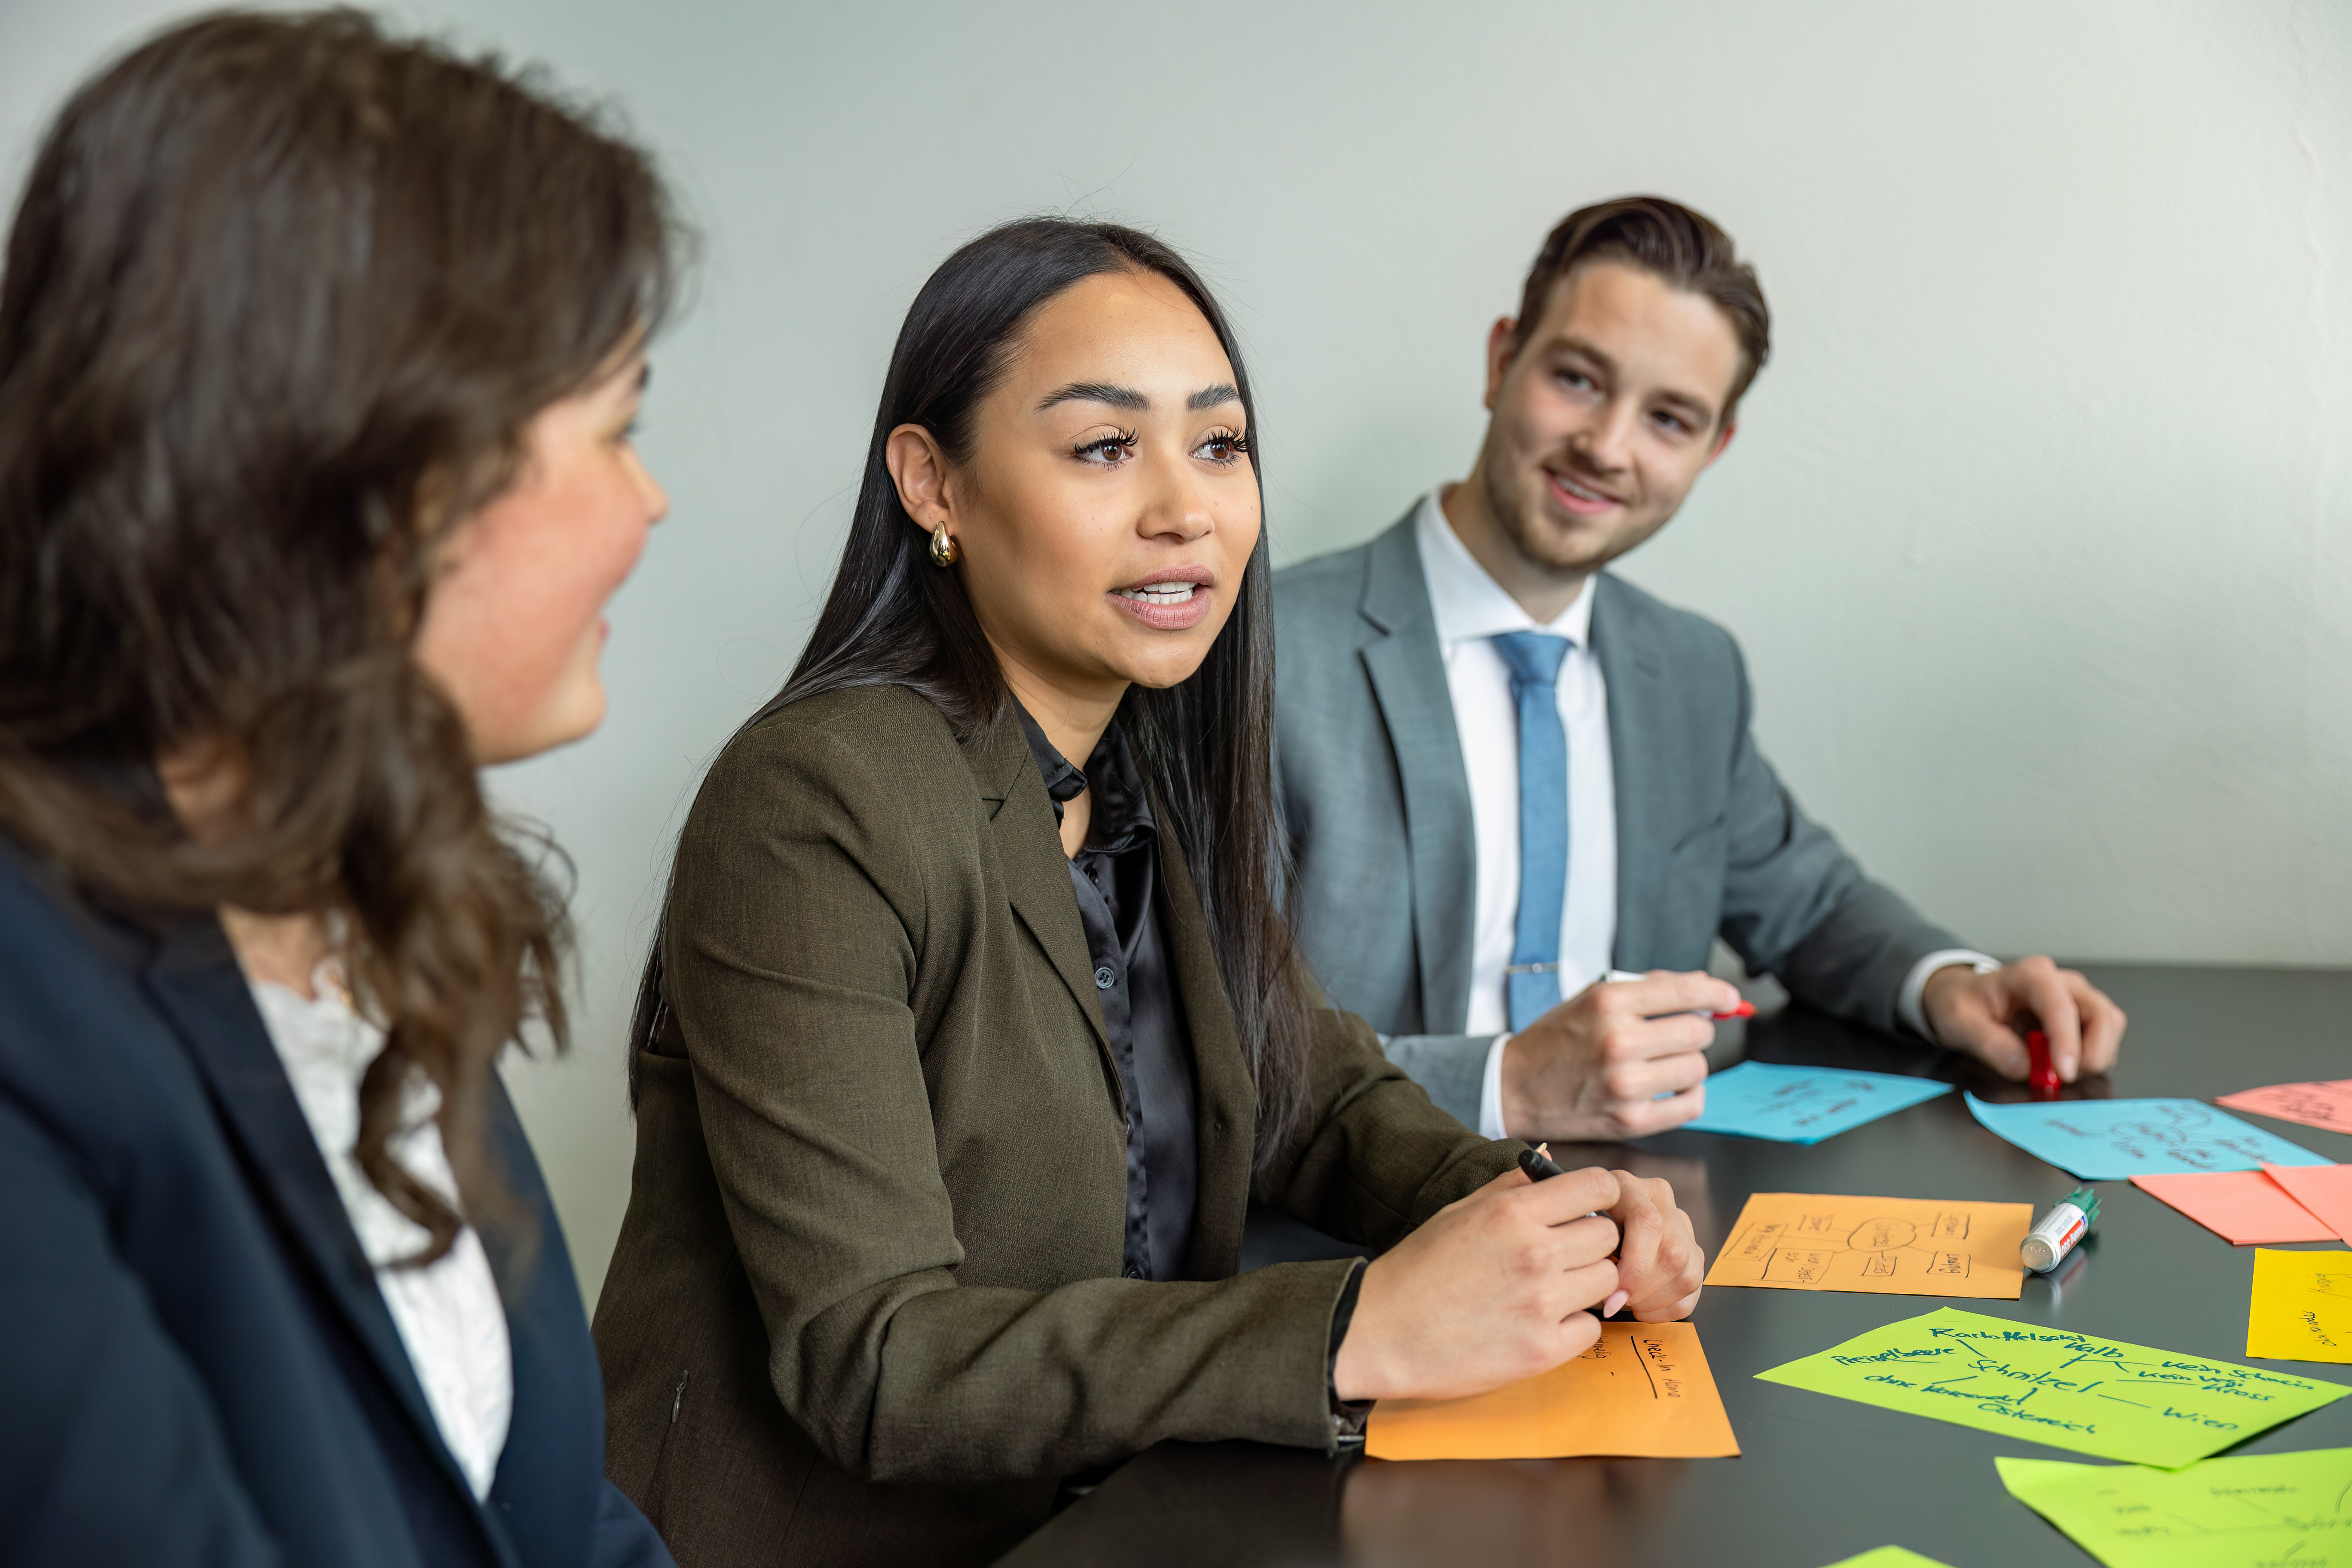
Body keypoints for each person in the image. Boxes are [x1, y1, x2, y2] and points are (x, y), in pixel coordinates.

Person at [593, 217, 1706, 1567]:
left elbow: (1320, 1097)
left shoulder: (1142, 765)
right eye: (1106, 446)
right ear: (932, 483)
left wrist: (1545, 1210)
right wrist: (1357, 1325)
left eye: (1220, 443)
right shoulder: (814, 800)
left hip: (1125, 1516)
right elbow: (873, 1359)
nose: (1186, 506)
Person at [0, 14, 681, 1565]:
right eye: (620, 426)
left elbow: (547, 1514)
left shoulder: (362, 892)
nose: (651, 496)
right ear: (383, 479)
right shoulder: (31, 1004)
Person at [1273, 196, 2128, 1144]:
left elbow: (1810, 906)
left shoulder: (1690, 671)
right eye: (1578, 379)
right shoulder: (1263, 657)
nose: (1607, 447)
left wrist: (1952, 984)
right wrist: (1503, 1085)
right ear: (1501, 360)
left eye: (1670, 419)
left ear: (1712, 449)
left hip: (1651, 1217)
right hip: (1357, 1226)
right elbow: (1194, 1043)